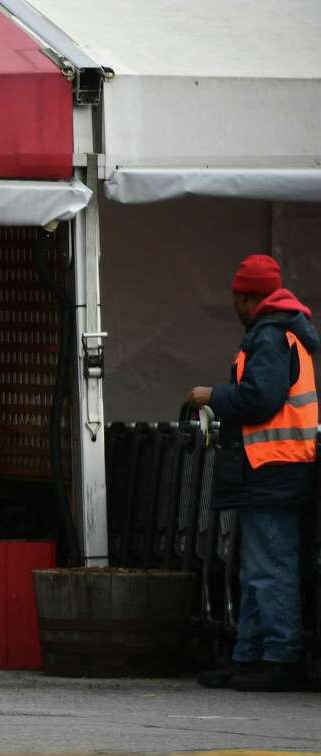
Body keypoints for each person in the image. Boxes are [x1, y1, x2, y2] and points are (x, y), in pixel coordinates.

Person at [190, 254, 317, 692]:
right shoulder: (279, 333)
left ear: (247, 296)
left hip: (273, 470)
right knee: (256, 567)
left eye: (235, 295)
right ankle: (248, 655)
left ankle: (280, 657)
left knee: (271, 566)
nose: (233, 302)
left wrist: (213, 395)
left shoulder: (270, 337)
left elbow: (261, 398)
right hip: (273, 469)